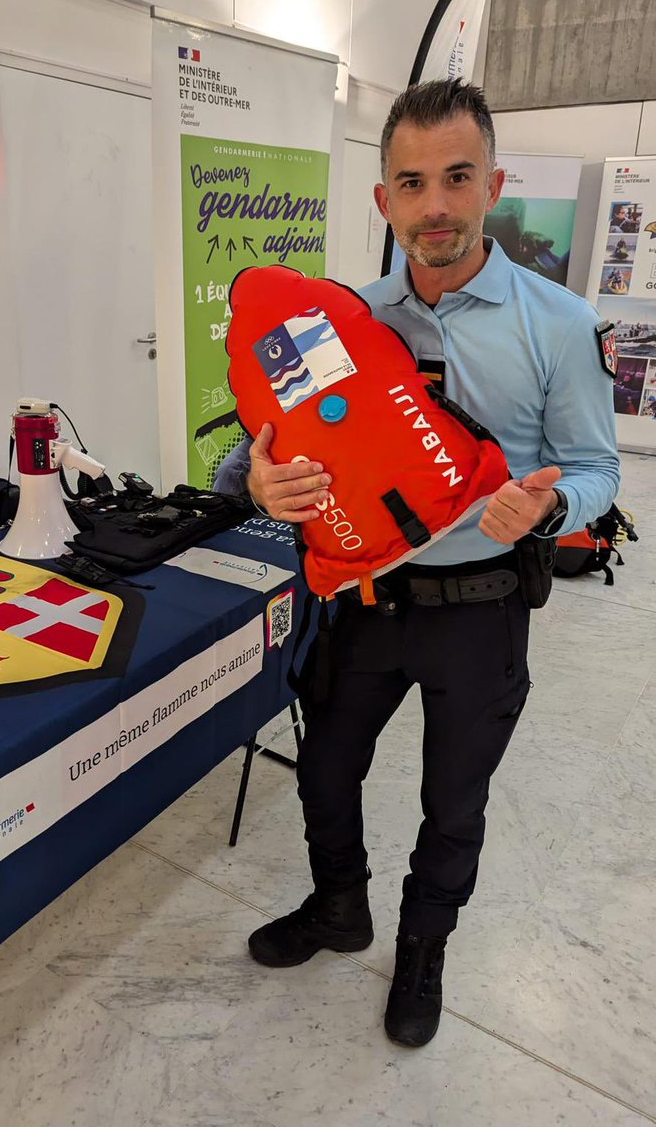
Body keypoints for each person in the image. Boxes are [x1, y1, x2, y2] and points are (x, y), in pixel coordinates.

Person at [214, 79, 620, 1048]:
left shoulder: (558, 324)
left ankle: (424, 948)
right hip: (364, 602)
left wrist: (552, 504)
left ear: (493, 187)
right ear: (383, 200)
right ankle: (338, 908)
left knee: (454, 803)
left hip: (481, 608)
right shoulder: (333, 321)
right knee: (325, 770)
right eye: (411, 182)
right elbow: (254, 454)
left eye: (456, 177)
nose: (434, 205)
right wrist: (259, 486)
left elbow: (601, 468)